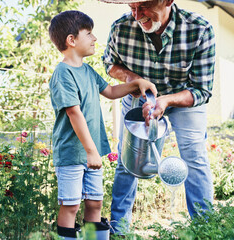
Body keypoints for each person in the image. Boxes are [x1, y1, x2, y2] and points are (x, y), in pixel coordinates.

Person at [100, 0, 216, 234]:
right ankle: (119, 229)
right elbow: (110, 64)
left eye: (143, 6)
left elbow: (202, 90)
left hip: (184, 97)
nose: (136, 15)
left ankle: (206, 229)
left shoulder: (199, 29)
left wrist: (165, 100)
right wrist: (135, 80)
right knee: (126, 159)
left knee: (194, 158)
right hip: (139, 95)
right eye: (132, 7)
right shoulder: (120, 28)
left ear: (167, 1)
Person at [48, 10, 157, 239]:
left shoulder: (87, 71)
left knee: (95, 203)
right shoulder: (63, 73)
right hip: (73, 153)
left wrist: (136, 83)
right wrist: (91, 151)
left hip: (92, 153)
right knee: (71, 205)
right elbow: (73, 113)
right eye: (89, 33)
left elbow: (110, 91)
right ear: (71, 40)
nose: (95, 38)